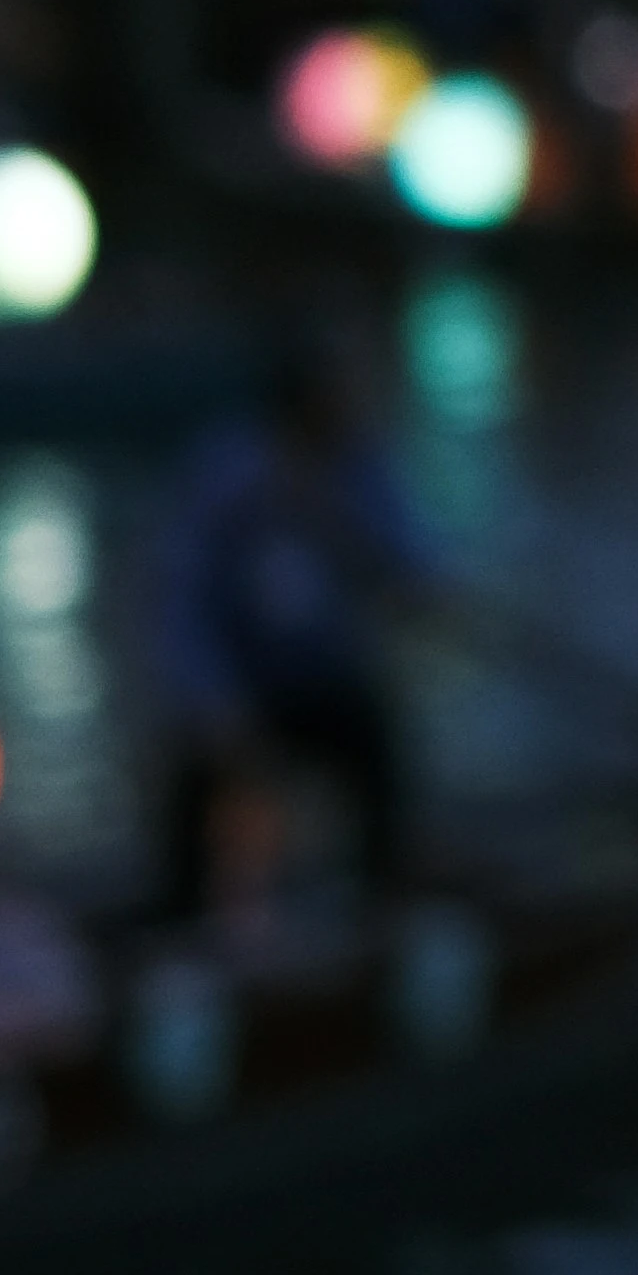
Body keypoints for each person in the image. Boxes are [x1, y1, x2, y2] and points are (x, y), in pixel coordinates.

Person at [152, 351, 436, 917]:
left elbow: (411, 554)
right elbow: (178, 599)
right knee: (191, 781)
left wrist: (427, 585)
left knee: (375, 747)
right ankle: (181, 919)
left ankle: (383, 899)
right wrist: (214, 704)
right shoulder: (226, 476)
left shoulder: (358, 466)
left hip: (323, 682)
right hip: (243, 688)